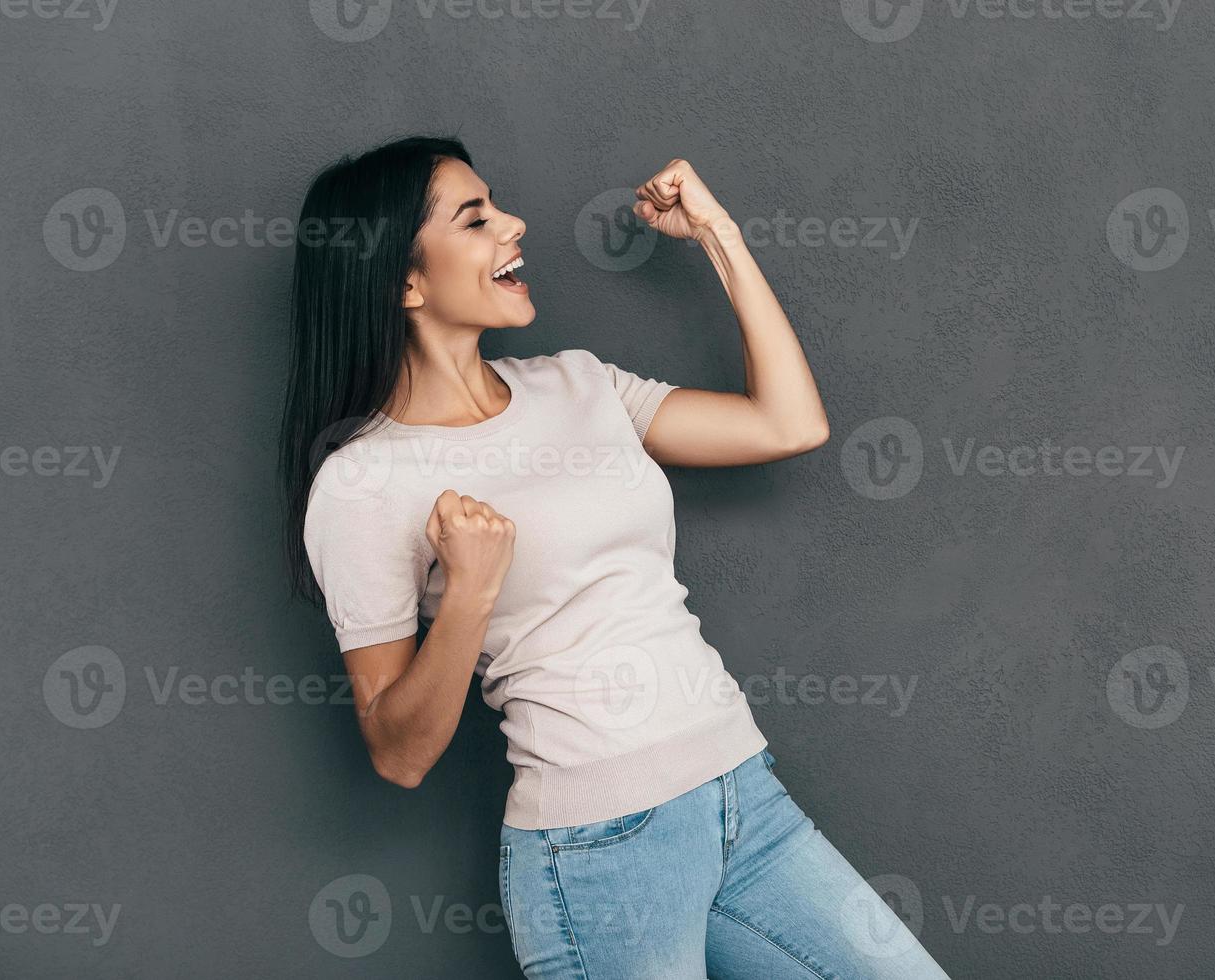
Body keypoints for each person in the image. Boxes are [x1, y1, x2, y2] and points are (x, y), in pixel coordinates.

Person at [278, 135, 952, 979]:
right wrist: (469, 594)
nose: (514, 224)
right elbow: (398, 752)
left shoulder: (577, 384)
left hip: (741, 798)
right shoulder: (363, 480)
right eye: (476, 218)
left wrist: (717, 237)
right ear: (405, 281)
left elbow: (789, 424)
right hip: (599, 851)